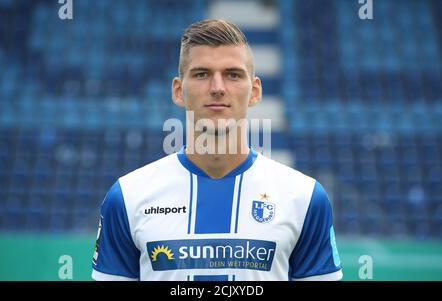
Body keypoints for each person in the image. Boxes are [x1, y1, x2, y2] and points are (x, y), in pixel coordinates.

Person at [91, 19, 342, 281]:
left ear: (255, 92)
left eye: (233, 74)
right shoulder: (128, 197)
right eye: (202, 74)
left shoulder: (304, 198)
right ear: (178, 91)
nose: (218, 88)